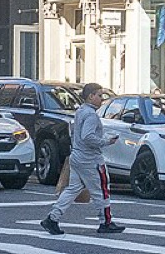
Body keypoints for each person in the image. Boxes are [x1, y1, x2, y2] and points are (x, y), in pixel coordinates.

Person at [41, 82, 121, 236]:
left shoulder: (80, 111)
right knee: (101, 189)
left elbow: (77, 133)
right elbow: (88, 136)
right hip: (90, 158)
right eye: (99, 95)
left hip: (77, 156)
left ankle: (53, 218)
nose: (101, 99)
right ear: (91, 96)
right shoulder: (91, 115)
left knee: (72, 189)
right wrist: (105, 141)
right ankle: (105, 222)